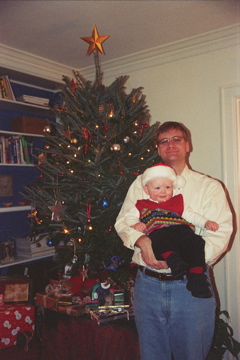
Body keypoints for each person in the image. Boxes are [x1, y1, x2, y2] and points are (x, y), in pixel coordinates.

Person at [115, 121, 233, 360]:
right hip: (147, 286)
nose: (171, 145)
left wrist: (184, 260)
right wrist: (142, 241)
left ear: (187, 145)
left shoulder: (209, 187)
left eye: (177, 139)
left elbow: (220, 235)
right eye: (164, 141)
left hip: (190, 287)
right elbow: (123, 222)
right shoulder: (141, 184)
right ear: (158, 149)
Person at [125, 162, 219, 298]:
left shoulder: (177, 202)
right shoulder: (142, 205)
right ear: (146, 190)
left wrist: (205, 222)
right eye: (157, 188)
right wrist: (135, 223)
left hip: (180, 230)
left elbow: (191, 215)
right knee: (158, 238)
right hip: (158, 233)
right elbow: (129, 217)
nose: (163, 191)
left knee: (196, 241)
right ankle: (174, 260)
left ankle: (197, 276)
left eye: (167, 187)